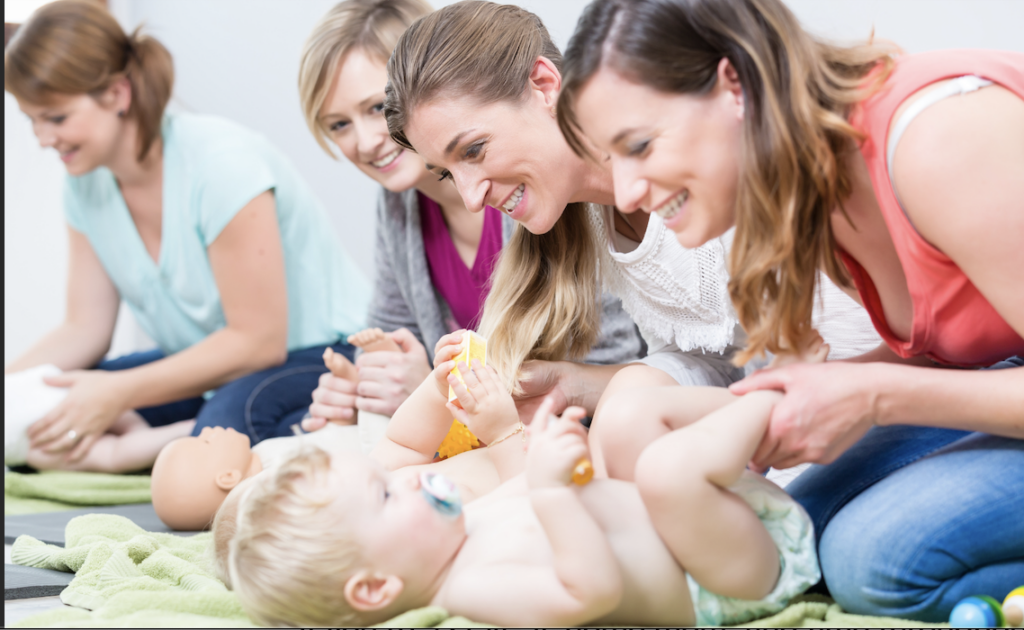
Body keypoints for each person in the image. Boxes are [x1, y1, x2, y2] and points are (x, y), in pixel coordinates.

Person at [557, 0, 1024, 620]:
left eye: (639, 145)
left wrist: (874, 398)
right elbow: (968, 339)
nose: (625, 192)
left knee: (869, 563)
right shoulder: (811, 185)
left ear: (734, 84)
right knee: (799, 530)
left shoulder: (938, 141)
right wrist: (825, 389)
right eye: (611, 160)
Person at [382, 1, 880, 473]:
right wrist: (581, 386)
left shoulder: (699, 162)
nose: (471, 198)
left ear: (543, 84)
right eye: (447, 173)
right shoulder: (590, 218)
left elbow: (841, 359)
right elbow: (718, 356)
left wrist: (641, 412)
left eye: (473, 150)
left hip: (864, 409)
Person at [4, 0, 371, 463]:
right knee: (57, 401)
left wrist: (117, 395)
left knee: (228, 422)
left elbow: (257, 342)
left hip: (319, 354)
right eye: (32, 120)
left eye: (55, 118)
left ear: (117, 94)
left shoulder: (220, 166)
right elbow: (84, 329)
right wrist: (11, 389)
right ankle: (178, 434)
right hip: (214, 363)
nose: (42, 138)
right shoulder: (84, 187)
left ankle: (141, 447)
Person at [224, 348, 824, 628]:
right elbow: (587, 591)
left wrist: (550, 449)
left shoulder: (463, 528)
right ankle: (790, 398)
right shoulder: (471, 589)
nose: (406, 484)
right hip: (726, 579)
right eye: (386, 497)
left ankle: (759, 406)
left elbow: (548, 480)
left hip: (695, 527)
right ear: (377, 585)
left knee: (624, 417)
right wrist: (552, 493)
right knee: (668, 473)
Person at [296, 0, 643, 429]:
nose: (368, 141)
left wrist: (434, 399)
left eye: (373, 109)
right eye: (338, 125)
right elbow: (392, 338)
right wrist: (366, 385)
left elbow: (638, 369)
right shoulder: (400, 207)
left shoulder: (545, 192)